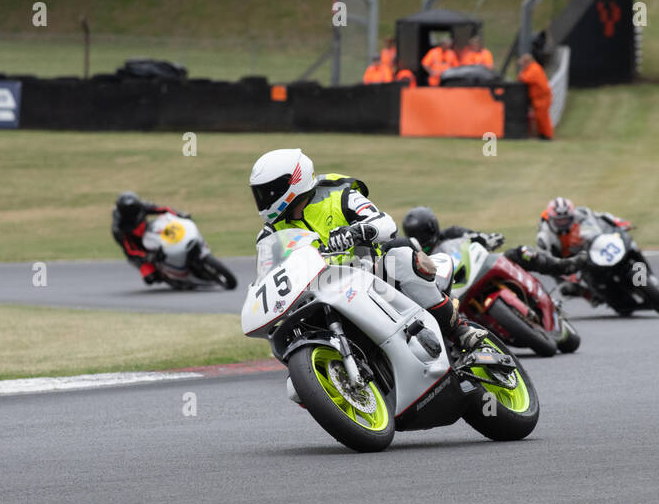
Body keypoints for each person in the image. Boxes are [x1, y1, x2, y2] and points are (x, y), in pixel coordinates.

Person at [249, 148, 486, 352]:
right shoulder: (270, 235)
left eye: (270, 190)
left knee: (401, 254)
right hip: (321, 292)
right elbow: (267, 276)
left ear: (294, 181)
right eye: (260, 193)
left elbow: (386, 224)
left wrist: (357, 231)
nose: (264, 198)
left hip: (371, 273)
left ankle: (459, 330)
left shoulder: (339, 194)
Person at [507, 196, 632, 304]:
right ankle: (589, 296)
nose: (563, 223)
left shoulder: (581, 213)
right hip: (565, 261)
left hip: (590, 249)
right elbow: (546, 262)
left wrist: (617, 221)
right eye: (559, 221)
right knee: (566, 289)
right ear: (551, 219)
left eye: (566, 219)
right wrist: (567, 274)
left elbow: (600, 217)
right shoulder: (544, 236)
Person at [111, 191, 188, 285]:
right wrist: (146, 256)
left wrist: (179, 214)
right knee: (150, 278)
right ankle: (168, 277)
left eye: (134, 209)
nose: (133, 212)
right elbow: (130, 250)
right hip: (135, 245)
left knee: (166, 234)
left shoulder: (141, 206)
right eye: (129, 212)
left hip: (147, 231)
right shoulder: (119, 228)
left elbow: (163, 209)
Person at [401, 206, 504, 254]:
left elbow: (476, 237)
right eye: (414, 235)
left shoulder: (453, 233)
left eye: (423, 233)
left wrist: (486, 239)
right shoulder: (412, 255)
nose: (421, 238)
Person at [517, 54, 553, 140]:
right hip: (538, 98)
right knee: (539, 117)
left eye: (522, 64)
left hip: (542, 97)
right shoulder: (531, 68)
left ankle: (547, 136)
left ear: (527, 62)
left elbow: (525, 78)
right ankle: (542, 134)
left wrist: (521, 72)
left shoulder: (534, 68)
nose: (522, 66)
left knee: (542, 117)